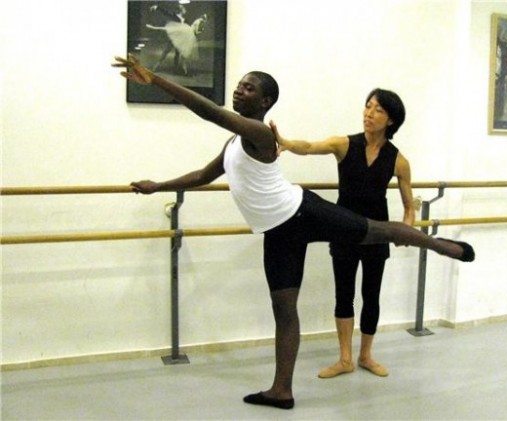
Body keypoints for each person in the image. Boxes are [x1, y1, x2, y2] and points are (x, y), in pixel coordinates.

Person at [112, 54, 474, 410]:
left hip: (302, 211)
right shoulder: (234, 144)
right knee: (283, 309)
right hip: (278, 231)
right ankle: (281, 391)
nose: (239, 92)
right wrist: (158, 185)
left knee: (378, 230)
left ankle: (442, 246)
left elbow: (210, 112)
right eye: (238, 86)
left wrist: (156, 80)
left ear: (265, 101)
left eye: (248, 89)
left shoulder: (257, 133)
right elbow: (203, 176)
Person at [270, 88, 412, 379]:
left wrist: (407, 229)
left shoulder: (398, 161)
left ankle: (366, 356)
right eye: (367, 106)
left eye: (378, 110)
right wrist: (284, 142)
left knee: (371, 296)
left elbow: (410, 206)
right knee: (343, 294)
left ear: (391, 120)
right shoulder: (344, 145)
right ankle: (345, 358)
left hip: (377, 234)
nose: (369, 114)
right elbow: (309, 147)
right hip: (344, 229)